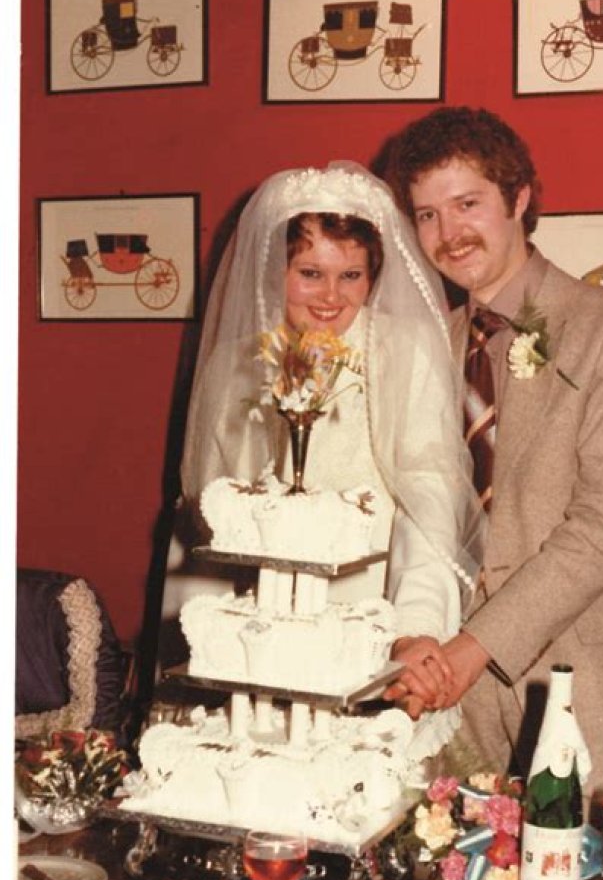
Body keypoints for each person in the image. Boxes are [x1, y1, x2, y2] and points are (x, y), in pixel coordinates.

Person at [382, 107, 603, 798]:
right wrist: (414, 642)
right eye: (427, 215)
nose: (449, 234)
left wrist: (472, 648)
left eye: (468, 204)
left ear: (518, 198)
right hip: (453, 712)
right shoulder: (425, 344)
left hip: (582, 689)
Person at [172, 161, 484, 674]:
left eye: (351, 276)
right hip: (258, 626)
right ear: (277, 271)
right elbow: (210, 508)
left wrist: (414, 625)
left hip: (368, 621)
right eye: (310, 274)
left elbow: (428, 492)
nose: (331, 297)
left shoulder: (404, 351)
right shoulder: (231, 365)